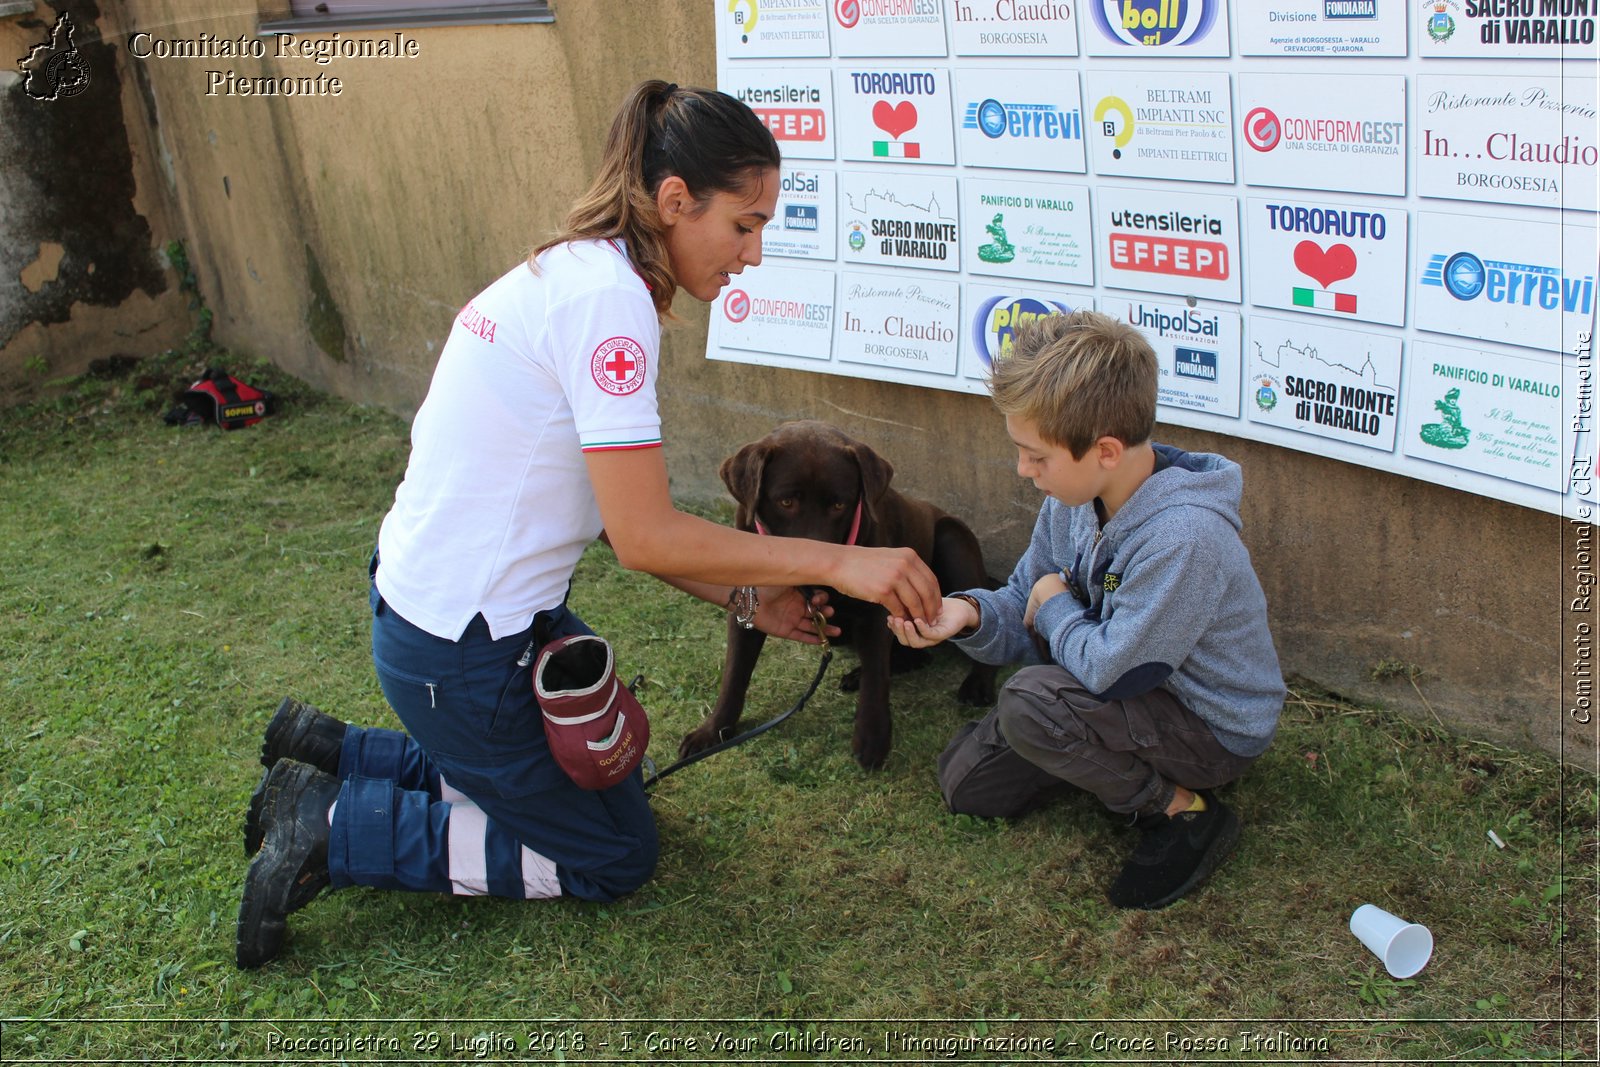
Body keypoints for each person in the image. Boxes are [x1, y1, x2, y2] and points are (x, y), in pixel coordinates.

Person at [236, 79, 944, 969]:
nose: (754, 254)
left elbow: (618, 525)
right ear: (676, 201)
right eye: (744, 224)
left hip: (440, 623)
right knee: (614, 852)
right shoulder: (610, 306)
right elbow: (645, 536)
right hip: (462, 651)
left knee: (609, 784)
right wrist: (844, 567)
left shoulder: (580, 273)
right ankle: (335, 827)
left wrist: (754, 597)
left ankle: (331, 752)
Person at [889, 310, 1285, 911]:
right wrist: (965, 614)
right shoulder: (1076, 499)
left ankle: (1182, 810)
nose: (1024, 471)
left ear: (1104, 450)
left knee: (1027, 702)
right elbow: (1028, 596)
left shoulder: (1185, 538)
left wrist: (1053, 607)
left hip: (1208, 728)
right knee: (967, 785)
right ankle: (1073, 740)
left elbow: (1116, 671)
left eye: (1035, 456)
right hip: (1108, 687)